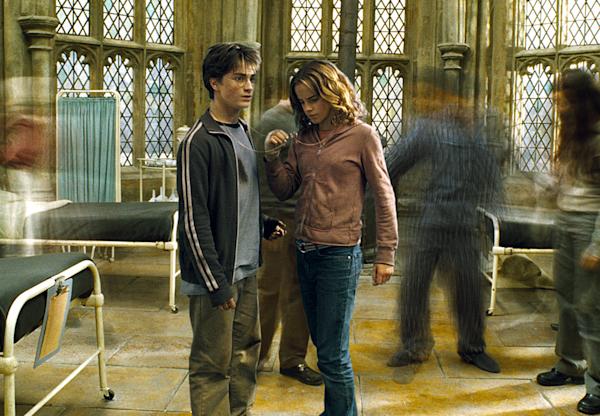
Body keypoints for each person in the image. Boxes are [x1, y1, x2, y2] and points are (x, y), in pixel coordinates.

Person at [264, 60, 398, 416]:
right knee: (325, 347)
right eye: (302, 102)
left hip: (339, 255)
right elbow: (284, 189)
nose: (308, 108)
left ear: (332, 92)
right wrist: (273, 158)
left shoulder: (362, 136)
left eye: (314, 99)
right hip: (304, 250)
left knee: (332, 354)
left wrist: (386, 253)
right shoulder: (303, 139)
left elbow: (384, 195)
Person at [176, 42, 284, 416]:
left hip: (246, 266)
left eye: (251, 78)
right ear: (214, 82)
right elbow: (194, 219)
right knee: (212, 363)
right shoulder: (198, 141)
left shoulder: (243, 131)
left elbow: (238, 199)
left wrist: (262, 225)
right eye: (238, 78)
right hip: (217, 273)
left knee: (245, 353)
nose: (248, 86)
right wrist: (216, 283)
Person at [385, 70, 504, 374]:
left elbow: (490, 173)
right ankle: (414, 344)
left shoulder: (472, 132)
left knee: (468, 287)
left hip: (463, 223)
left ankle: (472, 347)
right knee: (414, 284)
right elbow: (392, 163)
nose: (421, 102)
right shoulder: (427, 130)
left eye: (426, 95)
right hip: (431, 221)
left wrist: (493, 211)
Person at [535, 69, 600, 415]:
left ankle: (598, 385)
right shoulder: (573, 132)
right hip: (567, 220)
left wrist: (597, 245)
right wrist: (550, 185)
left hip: (590, 225)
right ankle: (570, 364)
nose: (557, 104)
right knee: (567, 302)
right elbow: (568, 179)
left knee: (590, 307)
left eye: (563, 98)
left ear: (580, 100)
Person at [254, 98, 322, 385]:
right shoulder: (274, 121)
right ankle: (260, 356)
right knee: (271, 289)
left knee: (296, 290)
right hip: (279, 217)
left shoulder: (307, 119)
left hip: (301, 216)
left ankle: (286, 358)